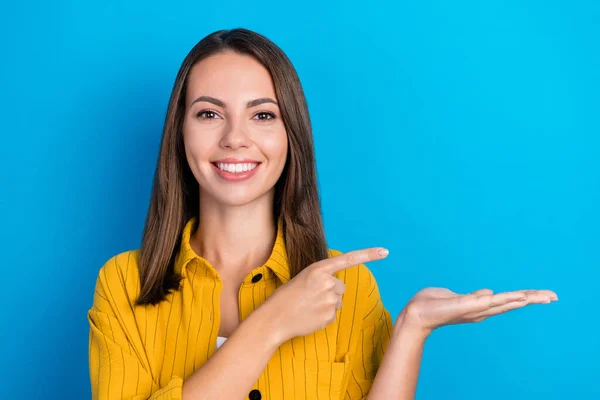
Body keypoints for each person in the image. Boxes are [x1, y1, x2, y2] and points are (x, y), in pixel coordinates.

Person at [87, 28, 558, 400]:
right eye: (209, 114)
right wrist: (273, 323)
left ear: (292, 135)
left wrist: (413, 328)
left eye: (263, 115)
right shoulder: (123, 284)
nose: (235, 138)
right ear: (180, 133)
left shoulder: (348, 288)